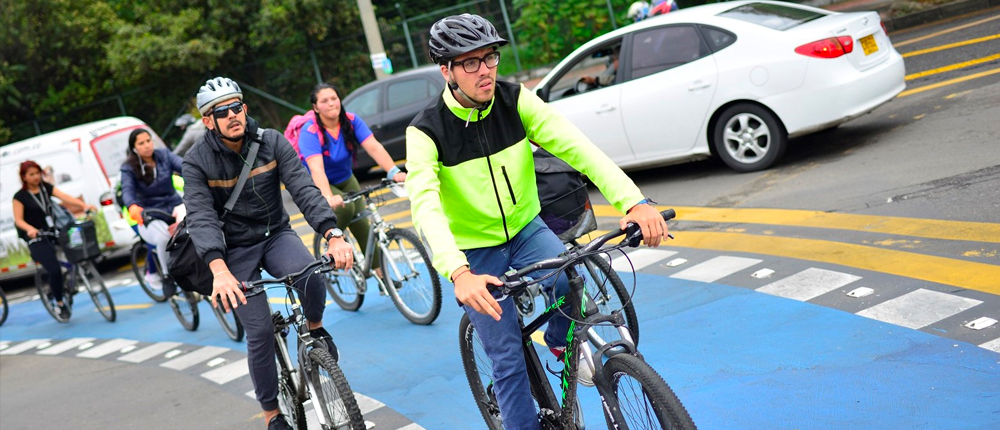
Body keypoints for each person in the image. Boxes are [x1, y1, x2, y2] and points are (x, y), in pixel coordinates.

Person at [405, 14, 669, 430]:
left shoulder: (515, 100)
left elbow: (578, 148)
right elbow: (424, 205)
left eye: (489, 57)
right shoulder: (426, 131)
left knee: (570, 282)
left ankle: (561, 345)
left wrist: (634, 202)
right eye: (470, 63)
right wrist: (458, 272)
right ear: (447, 70)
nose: (485, 70)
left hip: (527, 228)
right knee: (508, 359)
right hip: (475, 251)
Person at [181, 76, 354, 430]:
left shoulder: (271, 142)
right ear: (208, 121)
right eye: (222, 111)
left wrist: (333, 233)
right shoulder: (196, 162)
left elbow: (304, 189)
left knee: (308, 272)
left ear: (245, 108)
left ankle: (316, 330)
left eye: (237, 107)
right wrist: (219, 269)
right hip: (233, 252)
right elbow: (200, 217)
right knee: (259, 332)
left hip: (275, 234)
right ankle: (272, 414)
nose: (233, 115)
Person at [297, 82, 407, 278]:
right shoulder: (310, 131)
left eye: (334, 98)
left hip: (346, 177)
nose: (331, 104)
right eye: (324, 101)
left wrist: (393, 172)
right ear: (315, 107)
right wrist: (328, 196)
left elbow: (374, 147)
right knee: (345, 208)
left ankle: (381, 274)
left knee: (362, 221)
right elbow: (316, 169)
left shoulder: (351, 120)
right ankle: (334, 245)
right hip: (321, 182)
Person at [12, 160, 96, 320]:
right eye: (31, 174)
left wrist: (84, 205)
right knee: (54, 269)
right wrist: (30, 229)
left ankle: (72, 278)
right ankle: (59, 303)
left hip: (52, 231)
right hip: (36, 237)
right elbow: (18, 220)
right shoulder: (20, 197)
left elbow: (65, 197)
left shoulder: (45, 188)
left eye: (38, 173)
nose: (36, 177)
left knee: (77, 246)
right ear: (24, 177)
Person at [120, 128, 185, 296]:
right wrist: (133, 207)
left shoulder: (164, 155)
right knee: (163, 238)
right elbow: (127, 191)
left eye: (148, 141)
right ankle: (166, 275)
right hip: (149, 214)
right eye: (141, 143)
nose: (147, 145)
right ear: (134, 147)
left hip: (174, 206)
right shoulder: (128, 168)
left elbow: (184, 166)